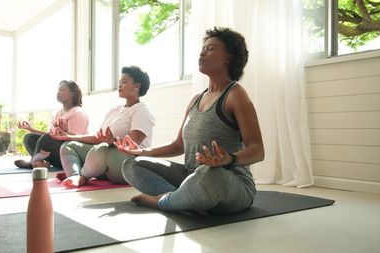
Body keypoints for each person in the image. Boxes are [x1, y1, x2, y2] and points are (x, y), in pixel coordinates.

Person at [118, 27, 264, 215]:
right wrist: (141, 151)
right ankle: (185, 199)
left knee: (208, 174)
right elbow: (178, 146)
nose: (202, 53)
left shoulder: (236, 95)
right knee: (132, 164)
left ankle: (165, 201)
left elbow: (258, 150)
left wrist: (229, 159)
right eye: (203, 48)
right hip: (191, 177)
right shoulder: (196, 100)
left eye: (211, 49)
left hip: (228, 181)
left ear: (228, 57)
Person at [55, 66, 155, 188]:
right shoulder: (115, 110)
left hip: (128, 162)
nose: (120, 85)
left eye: (124, 82)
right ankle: (74, 176)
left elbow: (133, 144)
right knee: (68, 146)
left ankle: (83, 174)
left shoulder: (142, 110)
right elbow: (98, 137)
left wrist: (112, 141)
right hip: (105, 159)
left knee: (102, 149)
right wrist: (69, 136)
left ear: (137, 86)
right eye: (119, 82)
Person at [14, 80, 89, 169]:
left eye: (61, 90)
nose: (58, 92)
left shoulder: (77, 113)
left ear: (72, 94)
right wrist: (31, 129)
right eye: (58, 90)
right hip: (58, 155)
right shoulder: (58, 114)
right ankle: (41, 163)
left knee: (48, 138)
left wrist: (64, 133)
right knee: (29, 138)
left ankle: (32, 163)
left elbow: (77, 140)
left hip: (72, 155)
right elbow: (50, 136)